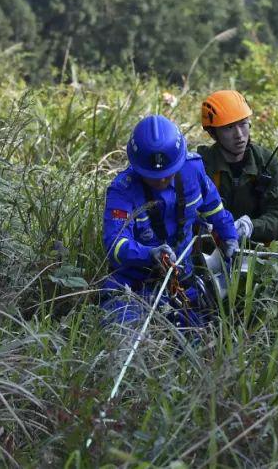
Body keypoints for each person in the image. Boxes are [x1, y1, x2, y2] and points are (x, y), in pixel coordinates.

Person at [101, 114, 240, 328]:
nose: (162, 180)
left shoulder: (193, 170)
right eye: (154, 176)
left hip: (183, 283)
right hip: (135, 286)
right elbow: (115, 245)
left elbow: (215, 209)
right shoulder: (122, 191)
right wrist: (149, 254)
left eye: (168, 173)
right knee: (123, 333)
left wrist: (230, 237)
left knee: (201, 339)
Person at [196, 90, 278, 245]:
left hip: (255, 254)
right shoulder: (200, 166)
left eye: (243, 124)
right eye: (229, 128)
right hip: (208, 254)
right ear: (213, 134)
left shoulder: (265, 162)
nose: (239, 135)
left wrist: (252, 227)